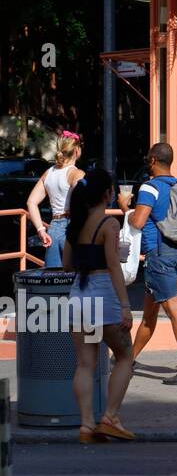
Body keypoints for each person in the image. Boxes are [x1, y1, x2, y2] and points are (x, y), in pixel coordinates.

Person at [120, 142, 177, 384]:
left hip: (160, 257)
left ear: (153, 161)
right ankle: (128, 360)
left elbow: (138, 221)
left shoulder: (149, 187)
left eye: (148, 158)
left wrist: (125, 206)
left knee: (174, 311)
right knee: (149, 315)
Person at [62, 169, 134, 443]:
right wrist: (125, 306)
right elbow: (114, 266)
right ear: (107, 194)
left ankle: (86, 425)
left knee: (85, 363)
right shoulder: (109, 225)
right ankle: (110, 417)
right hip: (104, 295)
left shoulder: (75, 225)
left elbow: (68, 265)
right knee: (125, 356)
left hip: (78, 297)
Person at [26, 131, 85, 269]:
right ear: (76, 150)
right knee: (76, 279)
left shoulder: (48, 173)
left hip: (53, 228)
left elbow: (31, 202)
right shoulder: (77, 173)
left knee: (54, 277)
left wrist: (41, 230)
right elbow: (82, 198)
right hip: (72, 226)